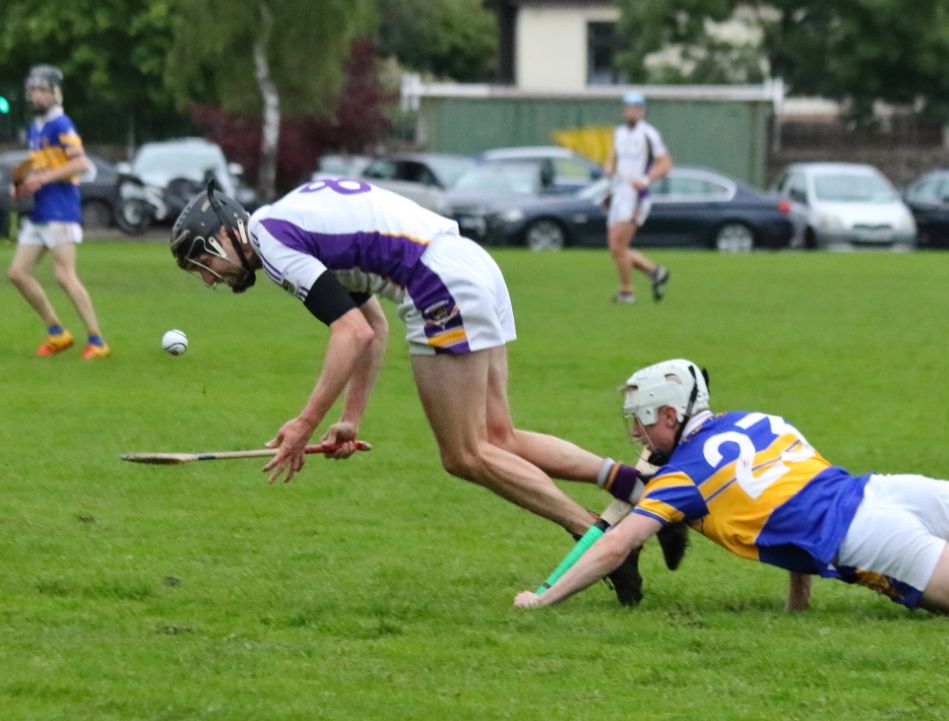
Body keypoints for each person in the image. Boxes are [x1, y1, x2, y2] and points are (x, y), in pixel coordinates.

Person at [168, 179, 660, 605]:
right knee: (497, 437)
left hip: (437, 282)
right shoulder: (289, 222)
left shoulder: (270, 242)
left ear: (227, 232)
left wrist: (303, 425)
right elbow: (372, 327)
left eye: (204, 262)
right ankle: (629, 486)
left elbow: (351, 334)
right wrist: (350, 418)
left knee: (464, 455)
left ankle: (598, 542)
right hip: (471, 265)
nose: (210, 278)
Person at [514, 358, 949, 626]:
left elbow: (616, 545)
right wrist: (798, 600)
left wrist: (544, 597)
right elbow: (783, 501)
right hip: (888, 491)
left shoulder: (679, 477)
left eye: (642, 423)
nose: (638, 435)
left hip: (870, 535)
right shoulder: (754, 419)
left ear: (671, 415)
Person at [6, 65, 109, 359]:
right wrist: (23, 184)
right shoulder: (35, 128)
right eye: (32, 91)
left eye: (42, 91)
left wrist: (43, 179)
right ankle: (57, 332)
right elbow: (40, 165)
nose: (36, 96)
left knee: (64, 275)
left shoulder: (62, 124)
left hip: (61, 208)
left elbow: (80, 163)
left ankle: (97, 340)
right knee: (17, 273)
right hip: (40, 209)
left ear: (55, 93)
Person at [604, 92, 672, 304]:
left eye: (635, 108)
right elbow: (613, 160)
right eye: (628, 108)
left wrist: (645, 179)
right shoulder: (619, 133)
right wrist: (609, 169)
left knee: (619, 246)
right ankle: (655, 271)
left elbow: (665, 164)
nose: (631, 112)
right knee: (615, 248)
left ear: (642, 111)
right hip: (619, 193)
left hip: (636, 196)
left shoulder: (649, 134)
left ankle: (627, 292)